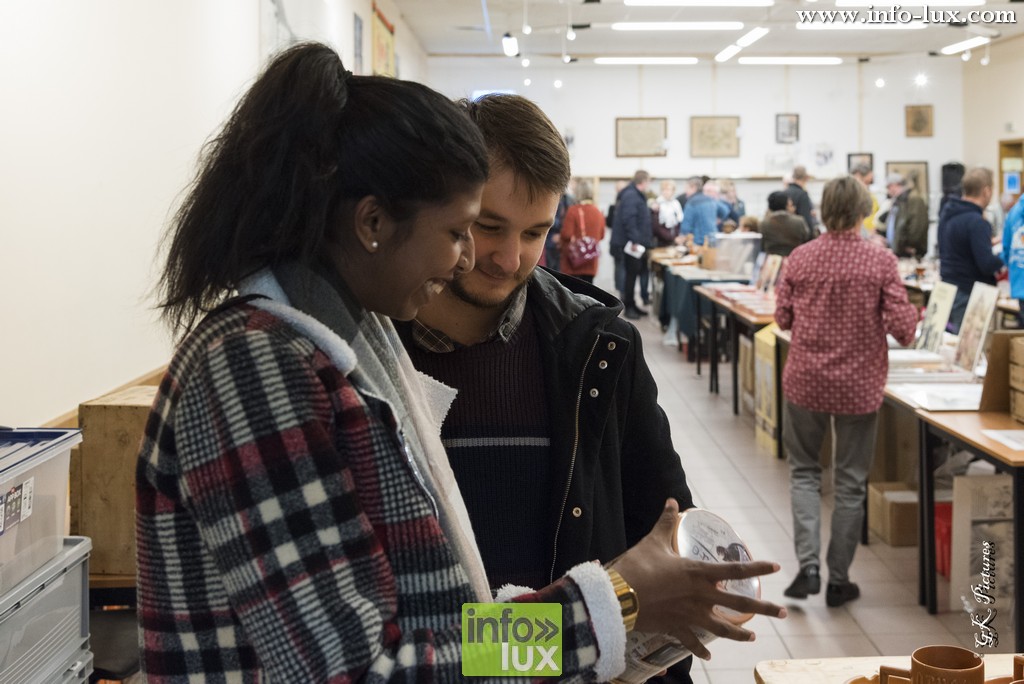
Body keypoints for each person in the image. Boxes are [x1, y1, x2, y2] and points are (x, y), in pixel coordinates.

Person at [137, 44, 786, 683]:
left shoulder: (338, 346)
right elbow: (376, 670)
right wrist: (606, 613)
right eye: (462, 231)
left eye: (534, 232)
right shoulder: (254, 367)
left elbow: (447, 632)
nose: (470, 262)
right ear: (373, 223)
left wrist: (615, 624)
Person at [398, 93, 785, 681]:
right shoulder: (372, 351)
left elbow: (660, 529)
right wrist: (590, 622)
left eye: (535, 232)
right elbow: (406, 657)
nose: (509, 258)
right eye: (487, 227)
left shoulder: (598, 345)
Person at [774, 175, 918, 609]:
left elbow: (781, 318)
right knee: (851, 482)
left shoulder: (800, 258)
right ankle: (839, 579)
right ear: (863, 211)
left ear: (823, 209)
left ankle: (808, 567)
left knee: (804, 473)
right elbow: (905, 330)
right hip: (859, 387)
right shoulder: (880, 262)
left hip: (806, 382)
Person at [938, 167, 1003, 332]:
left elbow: (959, 247)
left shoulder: (947, 214)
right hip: (968, 292)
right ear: (986, 191)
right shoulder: (977, 222)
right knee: (965, 353)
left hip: (947, 287)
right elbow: (986, 264)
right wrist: (1006, 252)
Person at [612, 169, 655, 319]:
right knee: (630, 275)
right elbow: (629, 219)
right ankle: (629, 306)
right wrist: (635, 240)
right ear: (644, 182)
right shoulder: (631, 195)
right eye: (649, 182)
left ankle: (632, 304)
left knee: (634, 274)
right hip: (630, 244)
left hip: (634, 242)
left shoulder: (634, 194)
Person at [559, 178, 606, 282]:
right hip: (591, 261)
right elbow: (602, 235)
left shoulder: (573, 210)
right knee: (588, 293)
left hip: (574, 262)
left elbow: (567, 234)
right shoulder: (598, 211)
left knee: (572, 293)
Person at [877, 172, 929, 258]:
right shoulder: (898, 202)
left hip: (909, 252)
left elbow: (917, 226)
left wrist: (908, 245)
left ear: (894, 185)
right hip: (898, 251)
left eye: (888, 187)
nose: (888, 190)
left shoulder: (914, 199)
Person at [679, 176, 728, 250]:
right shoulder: (710, 199)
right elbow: (725, 211)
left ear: (693, 187)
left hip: (699, 243)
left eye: (687, 188)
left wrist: (681, 238)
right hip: (713, 239)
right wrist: (718, 219)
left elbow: (686, 227)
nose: (685, 191)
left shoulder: (691, 203)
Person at [761, 190, 811, 256]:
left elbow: (762, 244)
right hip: (794, 257)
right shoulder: (799, 221)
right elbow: (806, 237)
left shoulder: (763, 223)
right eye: (791, 205)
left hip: (773, 261)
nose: (794, 208)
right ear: (785, 205)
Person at [785, 165, 818, 235]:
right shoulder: (803, 195)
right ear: (806, 178)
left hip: (787, 235)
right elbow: (806, 221)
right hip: (800, 236)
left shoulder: (785, 192)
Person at [652, 179, 684, 247]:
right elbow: (656, 227)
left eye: (668, 189)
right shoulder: (657, 204)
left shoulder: (676, 203)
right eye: (664, 189)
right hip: (662, 241)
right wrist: (671, 238)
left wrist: (678, 237)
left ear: (673, 191)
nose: (666, 192)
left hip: (675, 239)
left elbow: (679, 221)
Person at [850, 163, 879, 237]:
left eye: (868, 183)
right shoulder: (848, 197)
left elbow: (874, 218)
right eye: (865, 182)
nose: (866, 186)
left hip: (868, 235)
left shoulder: (871, 197)